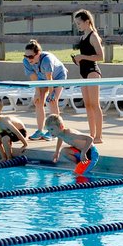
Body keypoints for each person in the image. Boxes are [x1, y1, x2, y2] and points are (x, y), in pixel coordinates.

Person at [23, 39, 68, 141]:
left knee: (52, 101)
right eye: (26, 56)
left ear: (38, 54)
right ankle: (39, 131)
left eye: (31, 56)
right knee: (38, 102)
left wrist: (51, 93)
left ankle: (56, 131)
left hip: (57, 77)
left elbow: (50, 79)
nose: (28, 59)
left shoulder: (47, 60)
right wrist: (37, 93)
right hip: (41, 78)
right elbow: (34, 78)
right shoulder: (26, 61)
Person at [72, 9, 105, 144]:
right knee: (87, 105)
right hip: (83, 71)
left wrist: (83, 57)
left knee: (94, 104)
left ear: (87, 21)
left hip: (92, 71)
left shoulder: (93, 36)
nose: (78, 26)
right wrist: (78, 60)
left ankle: (99, 136)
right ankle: (92, 134)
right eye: (76, 23)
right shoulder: (83, 36)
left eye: (79, 23)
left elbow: (101, 56)